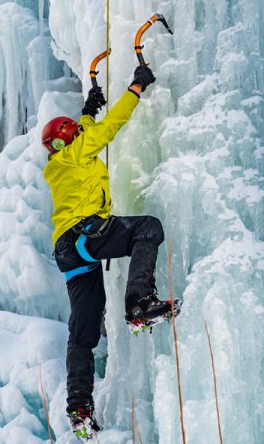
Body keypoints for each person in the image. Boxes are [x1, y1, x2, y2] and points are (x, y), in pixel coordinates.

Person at [41, 65, 178, 439]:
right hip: (87, 234)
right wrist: (135, 87)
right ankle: (139, 303)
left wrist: (88, 107)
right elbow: (111, 126)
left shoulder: (59, 162)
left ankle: (79, 408)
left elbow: (84, 132)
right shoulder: (78, 150)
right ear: (71, 139)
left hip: (69, 254)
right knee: (147, 228)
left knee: (82, 332)